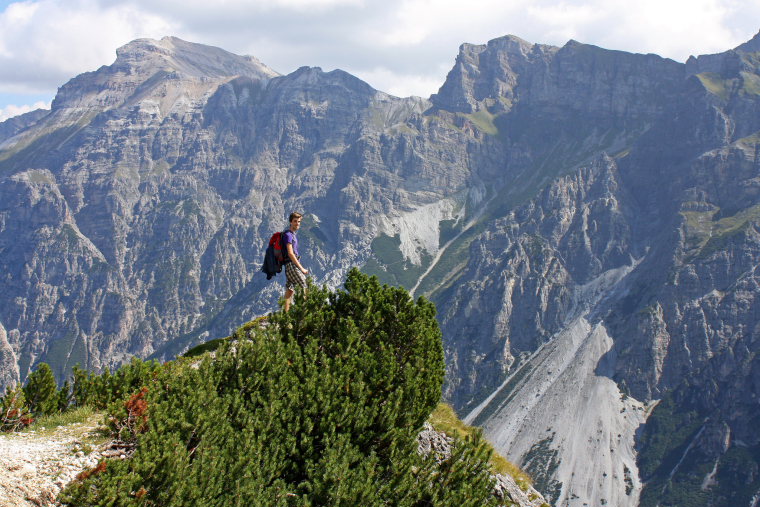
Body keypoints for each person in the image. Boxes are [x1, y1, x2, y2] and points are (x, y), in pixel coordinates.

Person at [282, 212, 309, 312]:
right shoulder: (288, 235)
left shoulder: (292, 235)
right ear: (290, 222)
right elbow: (290, 253)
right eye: (295, 221)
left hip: (289, 265)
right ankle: (304, 312)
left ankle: (286, 314)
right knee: (305, 285)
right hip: (292, 265)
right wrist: (301, 268)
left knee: (290, 290)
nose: (297, 223)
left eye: (299, 222)